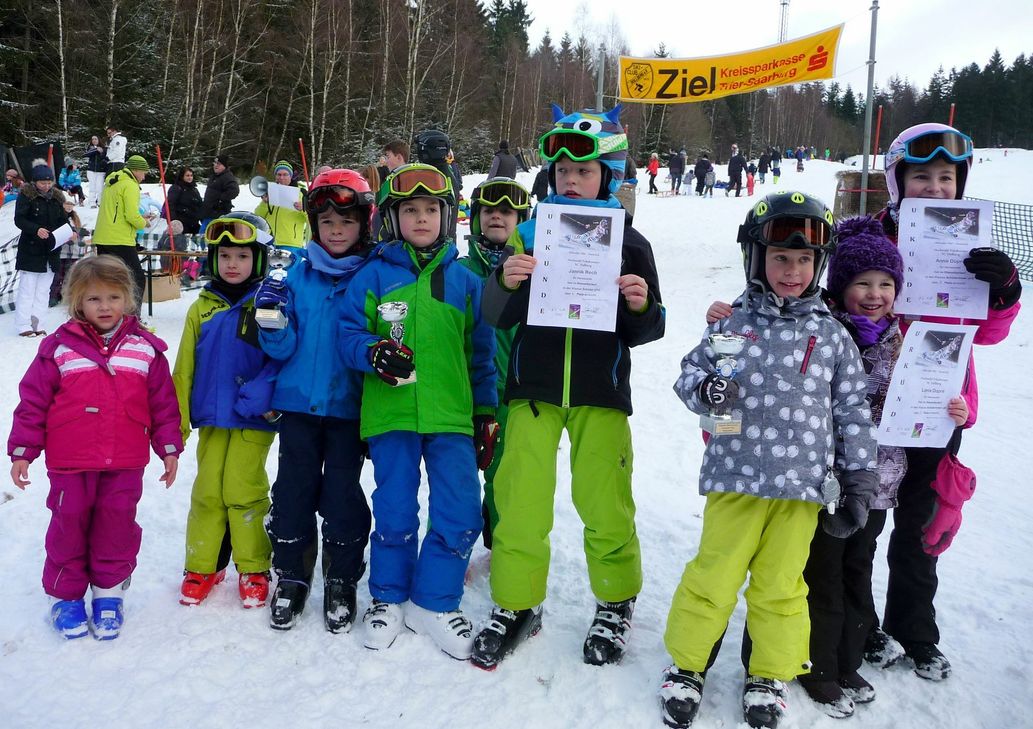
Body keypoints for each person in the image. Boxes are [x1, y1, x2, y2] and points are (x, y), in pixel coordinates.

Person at [659, 191, 878, 729]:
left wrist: (858, 480)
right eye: (781, 257)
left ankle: (769, 674)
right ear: (756, 258)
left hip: (803, 490)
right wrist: (707, 388)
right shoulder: (732, 324)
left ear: (818, 265)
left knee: (782, 587)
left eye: (805, 260)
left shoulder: (831, 334)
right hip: (734, 479)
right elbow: (689, 373)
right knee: (712, 576)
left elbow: (852, 409)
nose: (793, 270)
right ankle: (688, 666)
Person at [471, 104, 665, 670]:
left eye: (583, 172)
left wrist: (640, 303)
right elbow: (495, 316)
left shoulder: (631, 243)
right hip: (531, 390)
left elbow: (651, 328)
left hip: (599, 393)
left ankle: (614, 600)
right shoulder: (528, 236)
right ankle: (516, 603)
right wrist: (504, 282)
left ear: (609, 175)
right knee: (520, 500)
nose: (571, 181)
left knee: (604, 500)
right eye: (560, 172)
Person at [864, 123, 1022, 681]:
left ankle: (915, 631)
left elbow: (989, 333)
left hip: (940, 406)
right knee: (861, 522)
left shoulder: (969, 243)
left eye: (945, 178)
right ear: (898, 181)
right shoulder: (871, 239)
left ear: (961, 185)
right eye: (922, 176)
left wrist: (1003, 291)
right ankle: (860, 628)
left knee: (921, 526)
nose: (934, 188)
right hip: (873, 406)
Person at [798, 216, 968, 716]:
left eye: (886, 284)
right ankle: (817, 664)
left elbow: (921, 410)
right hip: (825, 479)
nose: (874, 294)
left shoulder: (908, 344)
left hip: (880, 482)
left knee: (858, 564)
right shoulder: (825, 332)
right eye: (862, 284)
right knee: (821, 571)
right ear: (839, 286)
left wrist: (949, 414)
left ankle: (847, 658)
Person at [338, 163, 496, 659]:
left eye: (431, 209)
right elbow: (347, 335)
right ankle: (387, 597)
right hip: (392, 416)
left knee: (460, 509)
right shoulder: (374, 274)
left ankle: (435, 600)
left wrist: (485, 412)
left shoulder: (467, 280)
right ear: (393, 217)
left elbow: (482, 354)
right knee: (395, 507)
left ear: (447, 216)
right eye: (411, 209)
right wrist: (371, 352)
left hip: (452, 416)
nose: (422, 217)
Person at [8, 255, 182, 640]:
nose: (105, 307)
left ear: (129, 299)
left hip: (125, 460)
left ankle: (108, 592)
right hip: (71, 460)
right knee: (68, 523)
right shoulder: (58, 349)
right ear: (77, 303)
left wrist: (169, 447)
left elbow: (164, 405)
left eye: (114, 297)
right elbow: (33, 401)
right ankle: (66, 595)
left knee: (116, 523)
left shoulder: (145, 350)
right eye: (94, 299)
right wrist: (23, 450)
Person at [255, 168, 377, 633]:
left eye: (346, 222)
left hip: (349, 410)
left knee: (343, 496)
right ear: (313, 226)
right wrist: (273, 322)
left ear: (364, 224)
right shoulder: (296, 279)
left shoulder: (374, 278)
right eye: (327, 223)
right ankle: (292, 574)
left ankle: (342, 577)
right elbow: (282, 350)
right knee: (293, 491)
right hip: (299, 409)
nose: (337, 231)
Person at [173, 212, 279, 609]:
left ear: (260, 260)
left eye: (243, 256)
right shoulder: (201, 308)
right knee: (206, 491)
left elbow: (283, 356)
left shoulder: (268, 304)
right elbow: (183, 369)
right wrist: (176, 424)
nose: (233, 264)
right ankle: (202, 564)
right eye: (225, 256)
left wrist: (267, 389)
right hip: (212, 419)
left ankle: (253, 565)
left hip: (253, 419)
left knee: (242, 489)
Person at [460, 177, 532, 549]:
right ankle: (453, 546)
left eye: (507, 212)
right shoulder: (460, 271)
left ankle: (500, 542)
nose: (497, 218)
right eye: (489, 211)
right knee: (457, 475)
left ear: (522, 219)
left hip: (511, 391)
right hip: (462, 391)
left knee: (505, 473)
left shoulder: (535, 273)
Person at [93, 155, 153, 315]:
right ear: (136, 170)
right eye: (144, 172)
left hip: (102, 237)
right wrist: (144, 222)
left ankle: (105, 316)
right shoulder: (130, 185)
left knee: (107, 279)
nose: (144, 176)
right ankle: (132, 318)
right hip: (120, 239)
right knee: (136, 278)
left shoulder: (112, 182)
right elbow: (132, 216)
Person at [13, 160, 66, 336]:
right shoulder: (26, 196)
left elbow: (62, 220)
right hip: (31, 250)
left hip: (51, 250)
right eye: (43, 183)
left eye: (49, 182)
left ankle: (38, 323)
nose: (46, 186)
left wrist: (70, 231)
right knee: (27, 289)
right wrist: (36, 229)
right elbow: (19, 220)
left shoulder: (57, 198)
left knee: (43, 290)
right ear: (35, 182)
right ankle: (23, 325)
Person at [254, 160, 308, 249]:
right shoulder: (270, 192)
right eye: (279, 174)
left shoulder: (301, 193)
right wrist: (264, 204)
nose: (281, 178)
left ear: (291, 176)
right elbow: (258, 217)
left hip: (291, 244)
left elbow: (310, 220)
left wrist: (303, 209)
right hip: (269, 242)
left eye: (285, 174)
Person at [49, 197, 88, 305]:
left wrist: (81, 233)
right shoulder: (57, 216)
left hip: (73, 252)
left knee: (69, 275)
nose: (69, 207)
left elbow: (79, 231)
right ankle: (53, 296)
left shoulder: (76, 217)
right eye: (67, 204)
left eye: (71, 204)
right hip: (60, 252)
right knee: (57, 276)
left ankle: (67, 296)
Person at [200, 155, 239, 227]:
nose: (215, 165)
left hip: (218, 215)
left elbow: (234, 191)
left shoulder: (227, 176)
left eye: (219, 164)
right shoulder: (214, 176)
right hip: (208, 214)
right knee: (203, 236)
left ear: (224, 166)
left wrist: (220, 199)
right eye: (215, 163)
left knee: (212, 236)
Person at [167, 166, 203, 234]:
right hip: (181, 223)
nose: (190, 177)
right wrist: (174, 221)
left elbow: (200, 205)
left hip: (194, 222)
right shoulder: (176, 188)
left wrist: (202, 218)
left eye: (191, 175)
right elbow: (171, 205)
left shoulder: (194, 189)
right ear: (182, 176)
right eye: (187, 175)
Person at [85, 135, 106, 207]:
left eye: (95, 139)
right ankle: (92, 202)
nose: (94, 140)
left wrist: (101, 152)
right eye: (92, 139)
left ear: (99, 140)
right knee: (92, 187)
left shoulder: (104, 148)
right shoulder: (89, 148)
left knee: (100, 187)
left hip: (101, 171)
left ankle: (100, 202)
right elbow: (86, 154)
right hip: (91, 170)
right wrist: (95, 150)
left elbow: (106, 157)